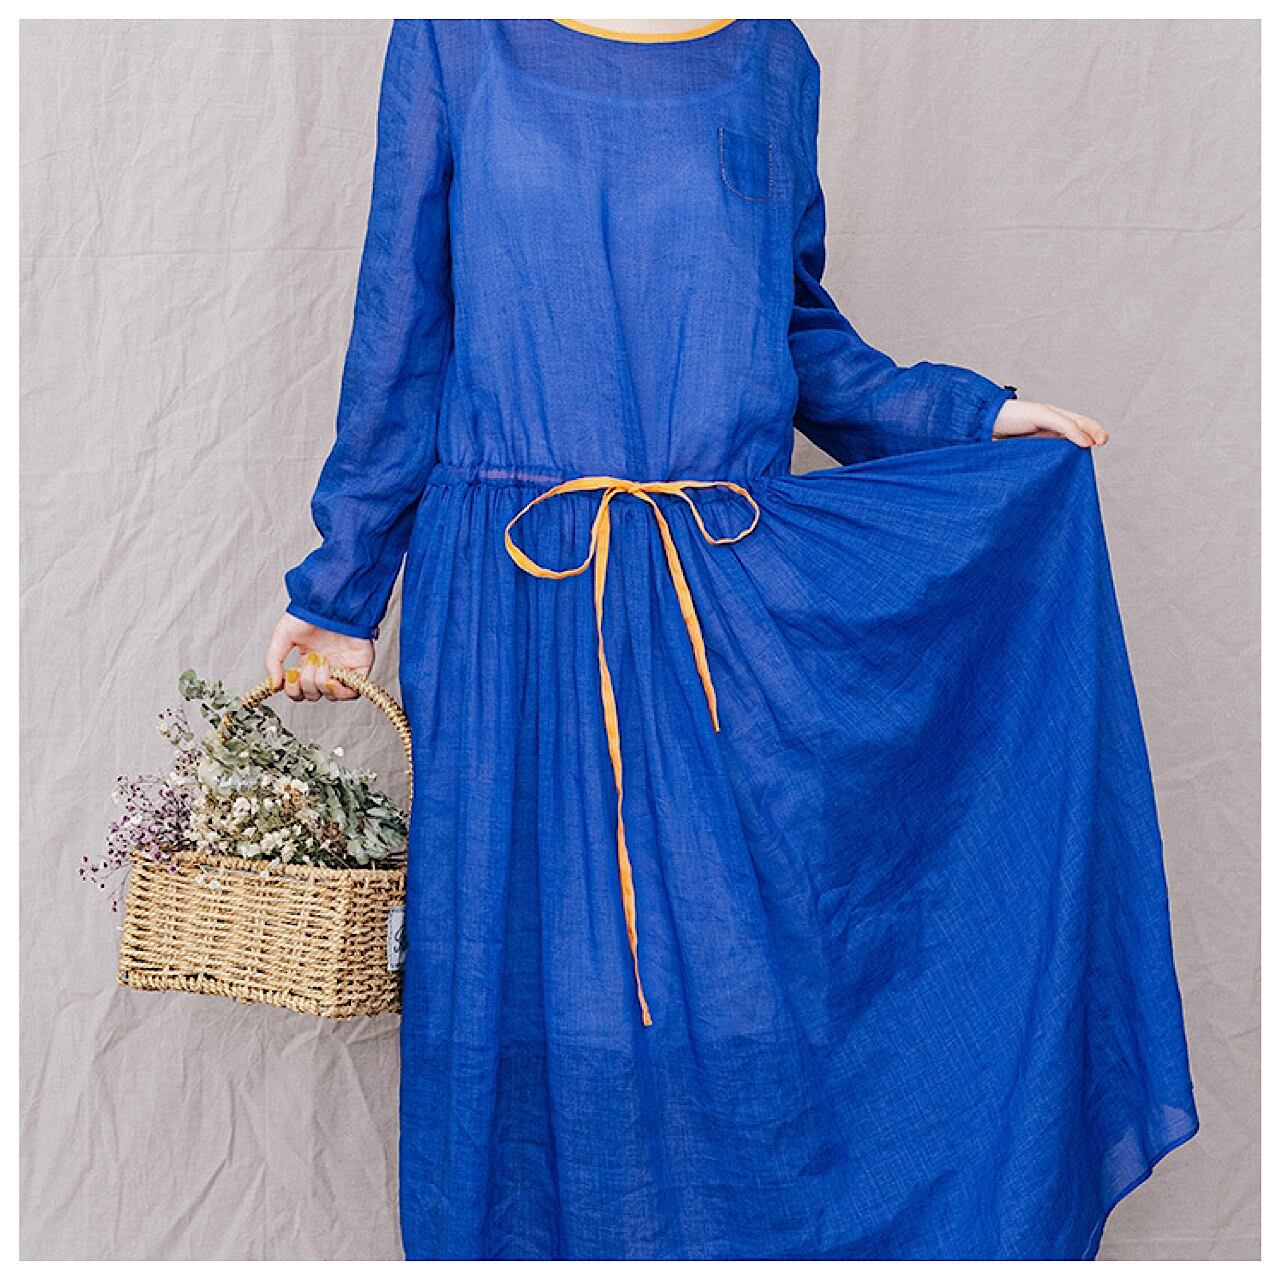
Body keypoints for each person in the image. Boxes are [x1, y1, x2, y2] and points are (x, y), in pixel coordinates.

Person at [264, 18, 1197, 1261]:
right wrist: (341, 586)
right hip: (509, 604)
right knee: (521, 979)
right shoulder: (452, 38)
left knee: (732, 980)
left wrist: (968, 417)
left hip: (720, 603)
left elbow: (794, 330)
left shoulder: (770, 58)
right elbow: (402, 323)